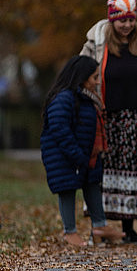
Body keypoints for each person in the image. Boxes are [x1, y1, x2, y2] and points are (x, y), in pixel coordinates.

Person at [80, 0, 137, 244]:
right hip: (108, 120)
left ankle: (128, 229)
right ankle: (100, 226)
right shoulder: (96, 44)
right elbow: (82, 75)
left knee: (133, 175)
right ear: (112, 20)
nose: (127, 25)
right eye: (122, 20)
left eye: (131, 20)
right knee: (104, 173)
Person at [40, 56, 124, 248]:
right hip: (65, 156)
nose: (97, 82)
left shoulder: (86, 98)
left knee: (92, 185)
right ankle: (69, 231)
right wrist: (76, 155)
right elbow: (60, 129)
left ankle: (99, 227)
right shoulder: (64, 98)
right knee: (67, 189)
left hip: (86, 155)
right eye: (94, 77)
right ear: (82, 77)